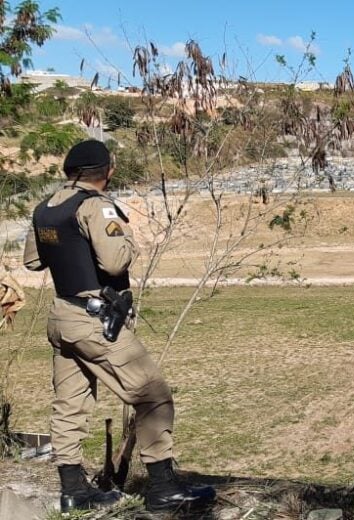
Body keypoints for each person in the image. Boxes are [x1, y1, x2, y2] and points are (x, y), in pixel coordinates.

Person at [23, 140, 215, 513]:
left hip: (62, 315)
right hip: (94, 321)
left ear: (68, 169)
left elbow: (33, 261)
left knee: (69, 403)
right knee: (152, 394)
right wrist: (128, 235)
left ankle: (73, 490)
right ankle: (162, 488)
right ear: (107, 172)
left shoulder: (45, 209)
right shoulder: (96, 206)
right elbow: (114, 263)